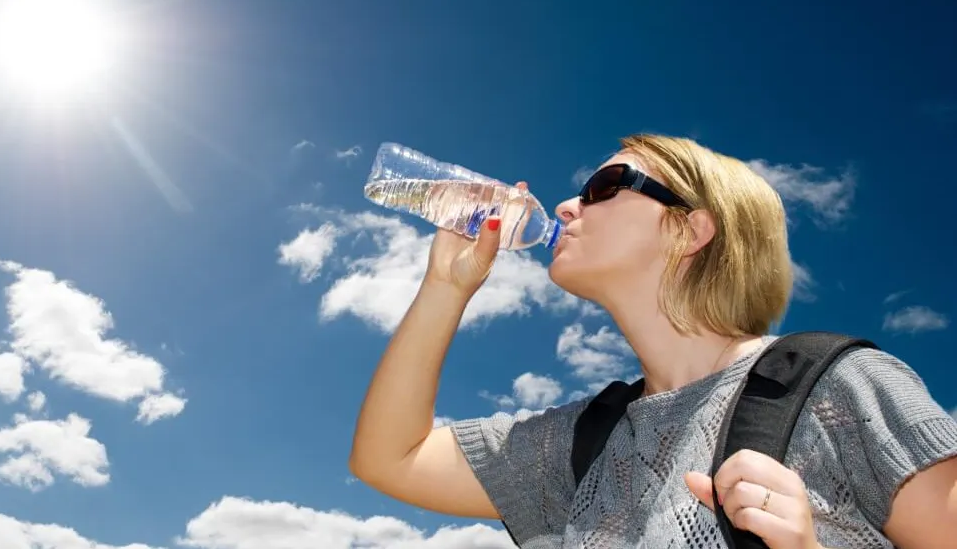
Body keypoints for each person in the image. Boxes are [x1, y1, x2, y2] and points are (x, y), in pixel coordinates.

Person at [347, 133, 957, 549]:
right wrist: (446, 285)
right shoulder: (584, 443)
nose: (565, 206)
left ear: (690, 230)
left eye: (605, 185)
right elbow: (390, 458)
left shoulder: (839, 390)